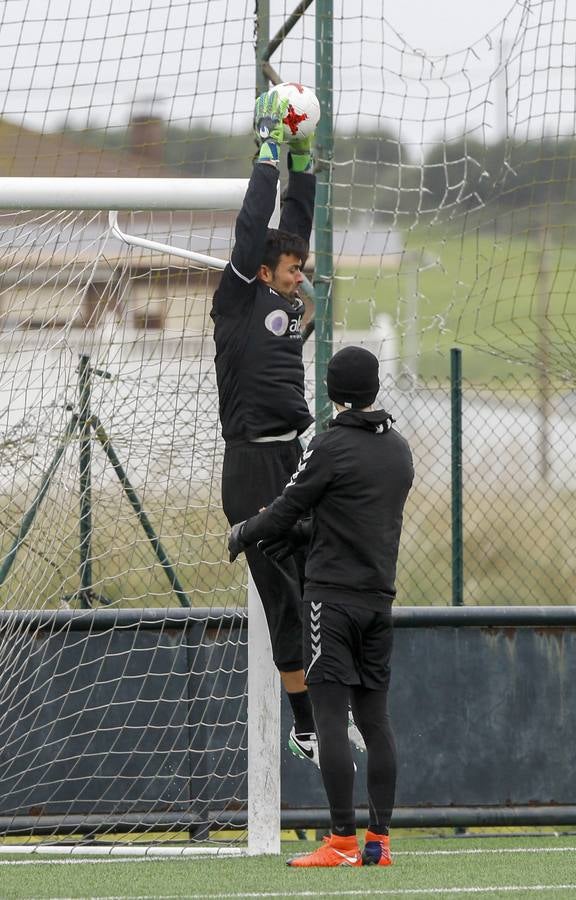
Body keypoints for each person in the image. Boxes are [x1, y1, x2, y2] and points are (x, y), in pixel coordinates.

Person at [228, 346, 414, 867]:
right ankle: (379, 843)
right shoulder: (399, 450)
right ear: (374, 389)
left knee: (330, 718)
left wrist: (246, 531)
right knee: (375, 720)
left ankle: (340, 841)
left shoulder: (329, 446)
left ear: (333, 392)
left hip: (330, 601)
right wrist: (307, 530)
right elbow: (353, 517)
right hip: (379, 601)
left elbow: (288, 505)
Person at [210, 89, 319, 764]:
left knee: (323, 584)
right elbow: (256, 229)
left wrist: (304, 167)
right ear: (261, 274)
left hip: (298, 461)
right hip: (250, 468)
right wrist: (269, 156)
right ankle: (305, 723)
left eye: (299, 270)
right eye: (288, 271)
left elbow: (291, 233)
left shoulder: (292, 307)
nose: (298, 277)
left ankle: (327, 708)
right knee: (284, 598)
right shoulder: (235, 303)